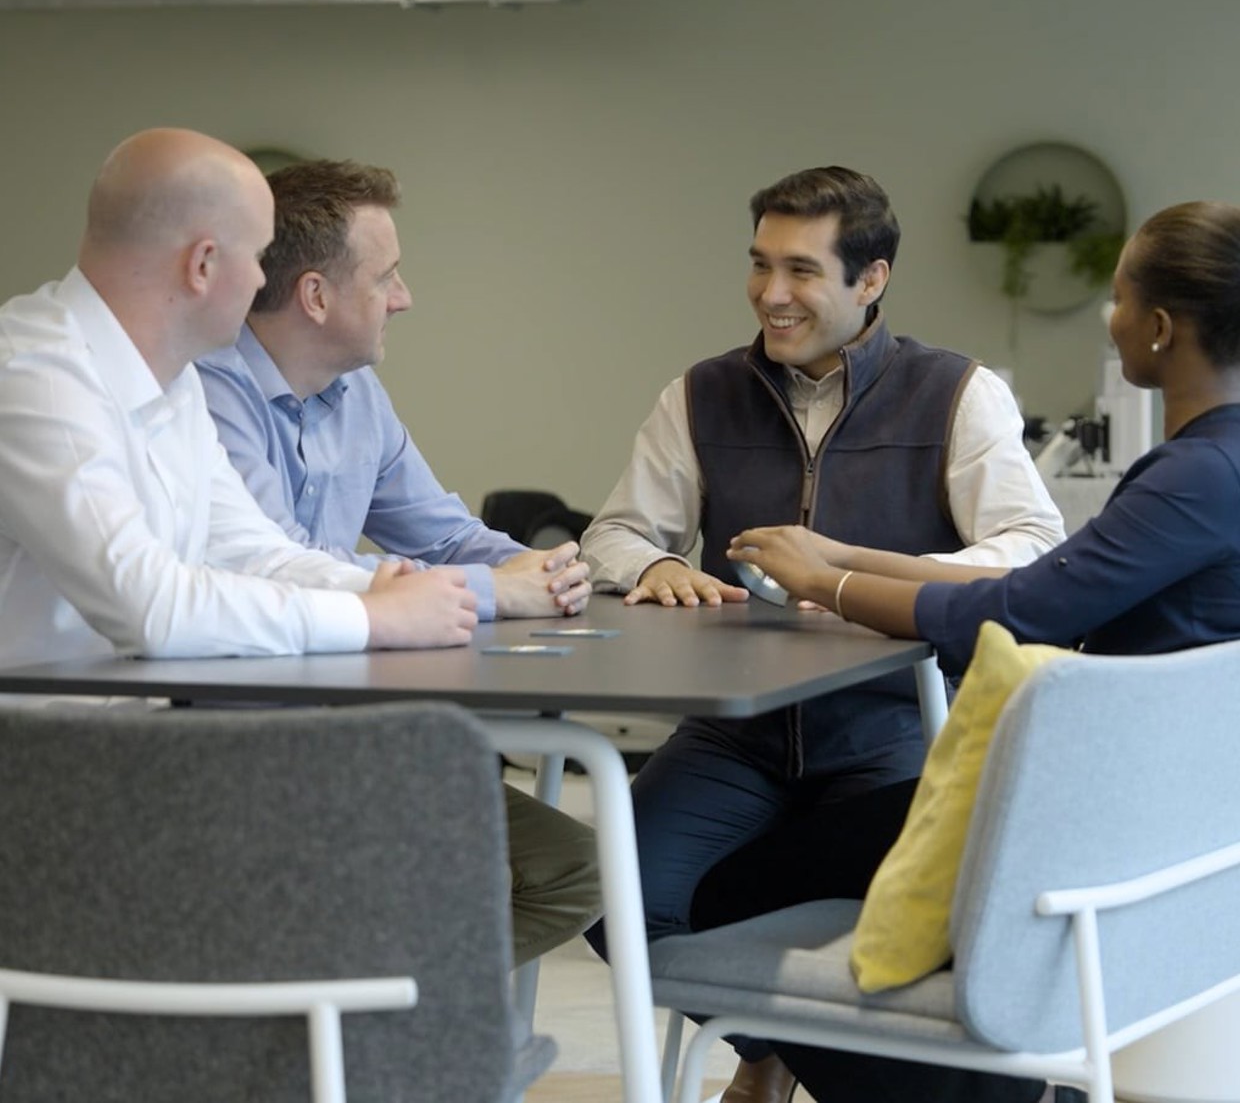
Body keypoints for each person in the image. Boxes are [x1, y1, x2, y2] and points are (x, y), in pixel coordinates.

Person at [719, 199, 1240, 1103]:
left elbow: (1018, 613)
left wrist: (825, 586)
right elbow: (1056, 586)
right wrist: (843, 554)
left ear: (1158, 328)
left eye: (1117, 298)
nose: (1108, 317)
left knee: (733, 887)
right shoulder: (1214, 467)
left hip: (1077, 828)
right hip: (1156, 823)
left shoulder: (1197, 476)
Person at [580, 165, 1066, 1103]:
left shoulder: (958, 394)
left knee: (911, 937)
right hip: (736, 734)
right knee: (619, 901)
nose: (772, 294)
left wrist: (854, 582)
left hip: (892, 727)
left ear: (870, 280)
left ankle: (785, 1061)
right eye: (760, 265)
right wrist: (653, 566)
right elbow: (616, 529)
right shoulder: (701, 393)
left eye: (802, 271)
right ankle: (771, 1051)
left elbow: (1028, 545)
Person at [195, 158, 600, 967]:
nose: (405, 296)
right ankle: (338, 1032)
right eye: (387, 277)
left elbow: (445, 535)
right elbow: (277, 567)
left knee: (574, 873)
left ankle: (353, 1029)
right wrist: (499, 593)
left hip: (359, 733)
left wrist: (548, 569)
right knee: (544, 872)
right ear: (316, 296)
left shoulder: (356, 393)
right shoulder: (204, 392)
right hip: (234, 753)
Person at [0, 127, 478, 677]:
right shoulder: (38, 380)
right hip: (39, 750)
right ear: (202, 265)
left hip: (130, 726)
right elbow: (151, 608)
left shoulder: (173, 380)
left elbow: (254, 553)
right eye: (256, 256)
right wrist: (373, 617)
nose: (261, 281)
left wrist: (382, 588)